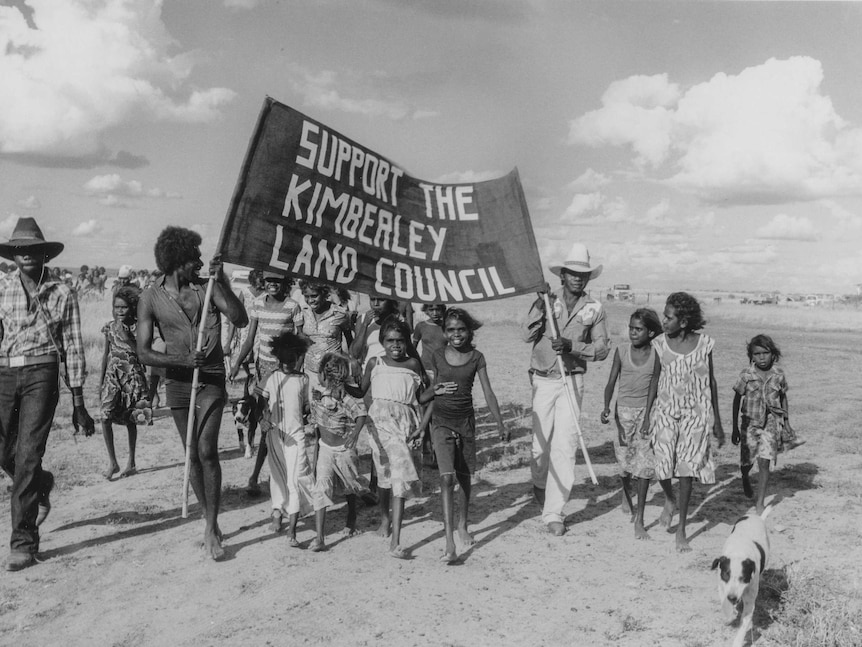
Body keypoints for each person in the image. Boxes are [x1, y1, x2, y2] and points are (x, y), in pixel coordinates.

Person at [137, 226, 247, 561]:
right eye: (193, 258)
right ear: (175, 261)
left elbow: (240, 319)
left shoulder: (208, 287)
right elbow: (143, 352)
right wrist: (181, 360)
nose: (200, 262)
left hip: (211, 378)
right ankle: (209, 518)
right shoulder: (150, 297)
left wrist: (223, 280)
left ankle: (211, 527)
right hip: (178, 383)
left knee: (206, 449)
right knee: (192, 456)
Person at [0, 217, 96, 571]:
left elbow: (72, 346)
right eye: (20, 250)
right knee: (4, 451)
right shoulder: (1, 287)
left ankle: (23, 542)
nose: (26, 255)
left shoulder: (62, 292)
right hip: (6, 371)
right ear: (13, 255)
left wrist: (79, 402)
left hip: (43, 371)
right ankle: (41, 483)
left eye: (33, 249)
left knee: (27, 453)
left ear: (44, 254)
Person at [522, 243, 609, 536]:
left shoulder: (595, 308)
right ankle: (539, 485)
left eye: (583, 274)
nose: (577, 278)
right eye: (572, 273)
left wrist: (574, 346)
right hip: (544, 379)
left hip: (572, 379)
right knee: (540, 445)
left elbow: (601, 350)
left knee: (566, 444)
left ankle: (554, 511)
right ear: (563, 276)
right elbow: (526, 335)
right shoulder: (548, 301)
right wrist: (539, 304)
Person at [421, 308, 508, 564]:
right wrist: (431, 400)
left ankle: (462, 524)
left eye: (461, 329)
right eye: (451, 330)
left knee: (464, 477)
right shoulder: (437, 356)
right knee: (446, 479)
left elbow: (488, 393)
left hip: (466, 423)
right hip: (441, 422)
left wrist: (500, 423)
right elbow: (427, 396)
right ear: (444, 332)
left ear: (469, 331)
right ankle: (449, 543)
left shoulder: (476, 357)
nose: (456, 334)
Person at [651, 292, 724, 552]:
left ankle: (681, 528)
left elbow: (711, 381)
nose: (663, 320)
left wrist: (717, 421)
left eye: (668, 317)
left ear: (683, 322)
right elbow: (654, 379)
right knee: (662, 463)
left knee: (686, 468)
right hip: (666, 411)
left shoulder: (705, 344)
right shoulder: (660, 343)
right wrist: (649, 414)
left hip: (696, 413)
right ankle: (669, 500)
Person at [348, 318, 424, 559]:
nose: (396, 345)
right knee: (384, 474)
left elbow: (423, 398)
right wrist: (342, 382)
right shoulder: (375, 362)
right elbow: (360, 391)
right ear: (382, 342)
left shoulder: (413, 364)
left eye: (401, 341)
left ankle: (396, 540)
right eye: (390, 340)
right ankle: (384, 519)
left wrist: (422, 426)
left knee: (400, 475)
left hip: (404, 422)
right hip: (379, 423)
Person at [230, 271, 303, 490]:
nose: (273, 284)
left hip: (286, 370)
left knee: (286, 424)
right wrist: (236, 364)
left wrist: (296, 373)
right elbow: (250, 339)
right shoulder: (258, 304)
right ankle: (255, 477)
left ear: (285, 283)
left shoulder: (292, 306)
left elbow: (300, 344)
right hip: (263, 371)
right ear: (264, 282)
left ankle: (280, 477)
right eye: (270, 280)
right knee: (265, 424)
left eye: (278, 281)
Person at [600, 308, 661, 540]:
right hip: (622, 413)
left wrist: (647, 416)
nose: (633, 333)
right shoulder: (621, 351)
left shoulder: (656, 355)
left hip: (646, 412)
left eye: (638, 329)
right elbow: (611, 382)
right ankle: (626, 493)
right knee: (625, 464)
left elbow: (654, 385)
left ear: (651, 332)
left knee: (644, 465)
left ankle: (640, 520)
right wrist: (606, 408)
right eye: (631, 328)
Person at [256, 332, 315, 546]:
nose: (287, 364)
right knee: (277, 475)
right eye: (282, 360)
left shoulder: (304, 379)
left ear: (299, 357)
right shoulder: (271, 377)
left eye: (291, 360)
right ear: (277, 358)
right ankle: (277, 511)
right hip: (275, 434)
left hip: (296, 435)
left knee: (296, 477)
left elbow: (306, 407)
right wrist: (263, 418)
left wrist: (313, 413)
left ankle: (292, 530)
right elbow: (260, 401)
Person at [309, 352, 369, 552]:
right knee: (321, 487)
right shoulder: (318, 393)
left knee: (349, 484)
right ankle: (319, 537)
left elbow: (361, 415)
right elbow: (314, 411)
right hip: (326, 448)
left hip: (344, 450)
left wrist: (355, 435)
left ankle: (352, 515)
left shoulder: (346, 397)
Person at [732, 334, 798, 514]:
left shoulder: (778, 375)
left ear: (773, 354)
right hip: (750, 424)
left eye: (765, 353)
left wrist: (786, 422)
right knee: (748, 460)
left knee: (765, 461)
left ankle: (760, 501)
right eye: (757, 354)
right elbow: (737, 400)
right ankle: (745, 475)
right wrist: (734, 428)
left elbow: (783, 397)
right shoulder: (746, 375)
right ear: (751, 356)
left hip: (771, 422)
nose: (762, 357)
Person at [100, 285, 151, 480]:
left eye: (124, 307)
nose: (119, 311)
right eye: (116, 307)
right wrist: (101, 382)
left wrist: (127, 337)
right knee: (105, 416)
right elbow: (105, 355)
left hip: (133, 380)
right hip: (113, 379)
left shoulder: (141, 327)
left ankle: (131, 462)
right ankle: (113, 462)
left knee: (131, 420)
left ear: (132, 308)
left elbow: (143, 354)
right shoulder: (109, 327)